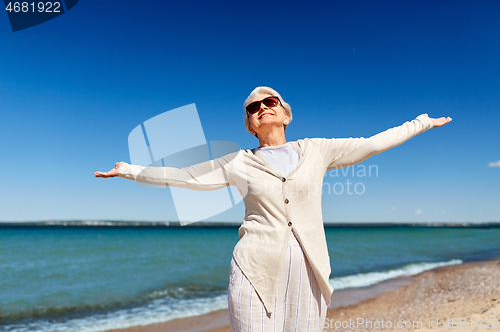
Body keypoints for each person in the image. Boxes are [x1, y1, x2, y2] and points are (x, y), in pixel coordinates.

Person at [95, 86, 452, 331]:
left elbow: (372, 144)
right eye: (254, 108)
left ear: (285, 114)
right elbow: (185, 176)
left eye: (271, 102)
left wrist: (420, 123)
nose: (263, 108)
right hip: (254, 267)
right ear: (250, 125)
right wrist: (130, 170)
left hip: (309, 271)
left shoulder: (317, 149)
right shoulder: (239, 162)